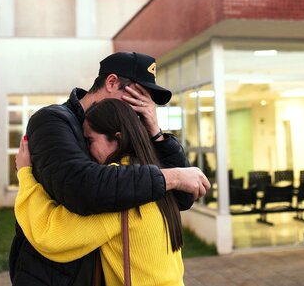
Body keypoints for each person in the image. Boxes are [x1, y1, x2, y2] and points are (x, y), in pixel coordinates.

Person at [9, 51, 210, 286]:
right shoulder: (53, 121)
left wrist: (155, 132)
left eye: (148, 102)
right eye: (137, 96)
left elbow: (184, 197)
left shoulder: (127, 143)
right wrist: (173, 177)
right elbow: (82, 188)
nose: (141, 108)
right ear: (112, 82)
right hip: (56, 277)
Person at [15, 99, 186, 285]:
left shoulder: (124, 191)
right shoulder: (156, 175)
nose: (85, 150)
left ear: (117, 139)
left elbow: (50, 235)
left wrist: (25, 175)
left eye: (90, 140)